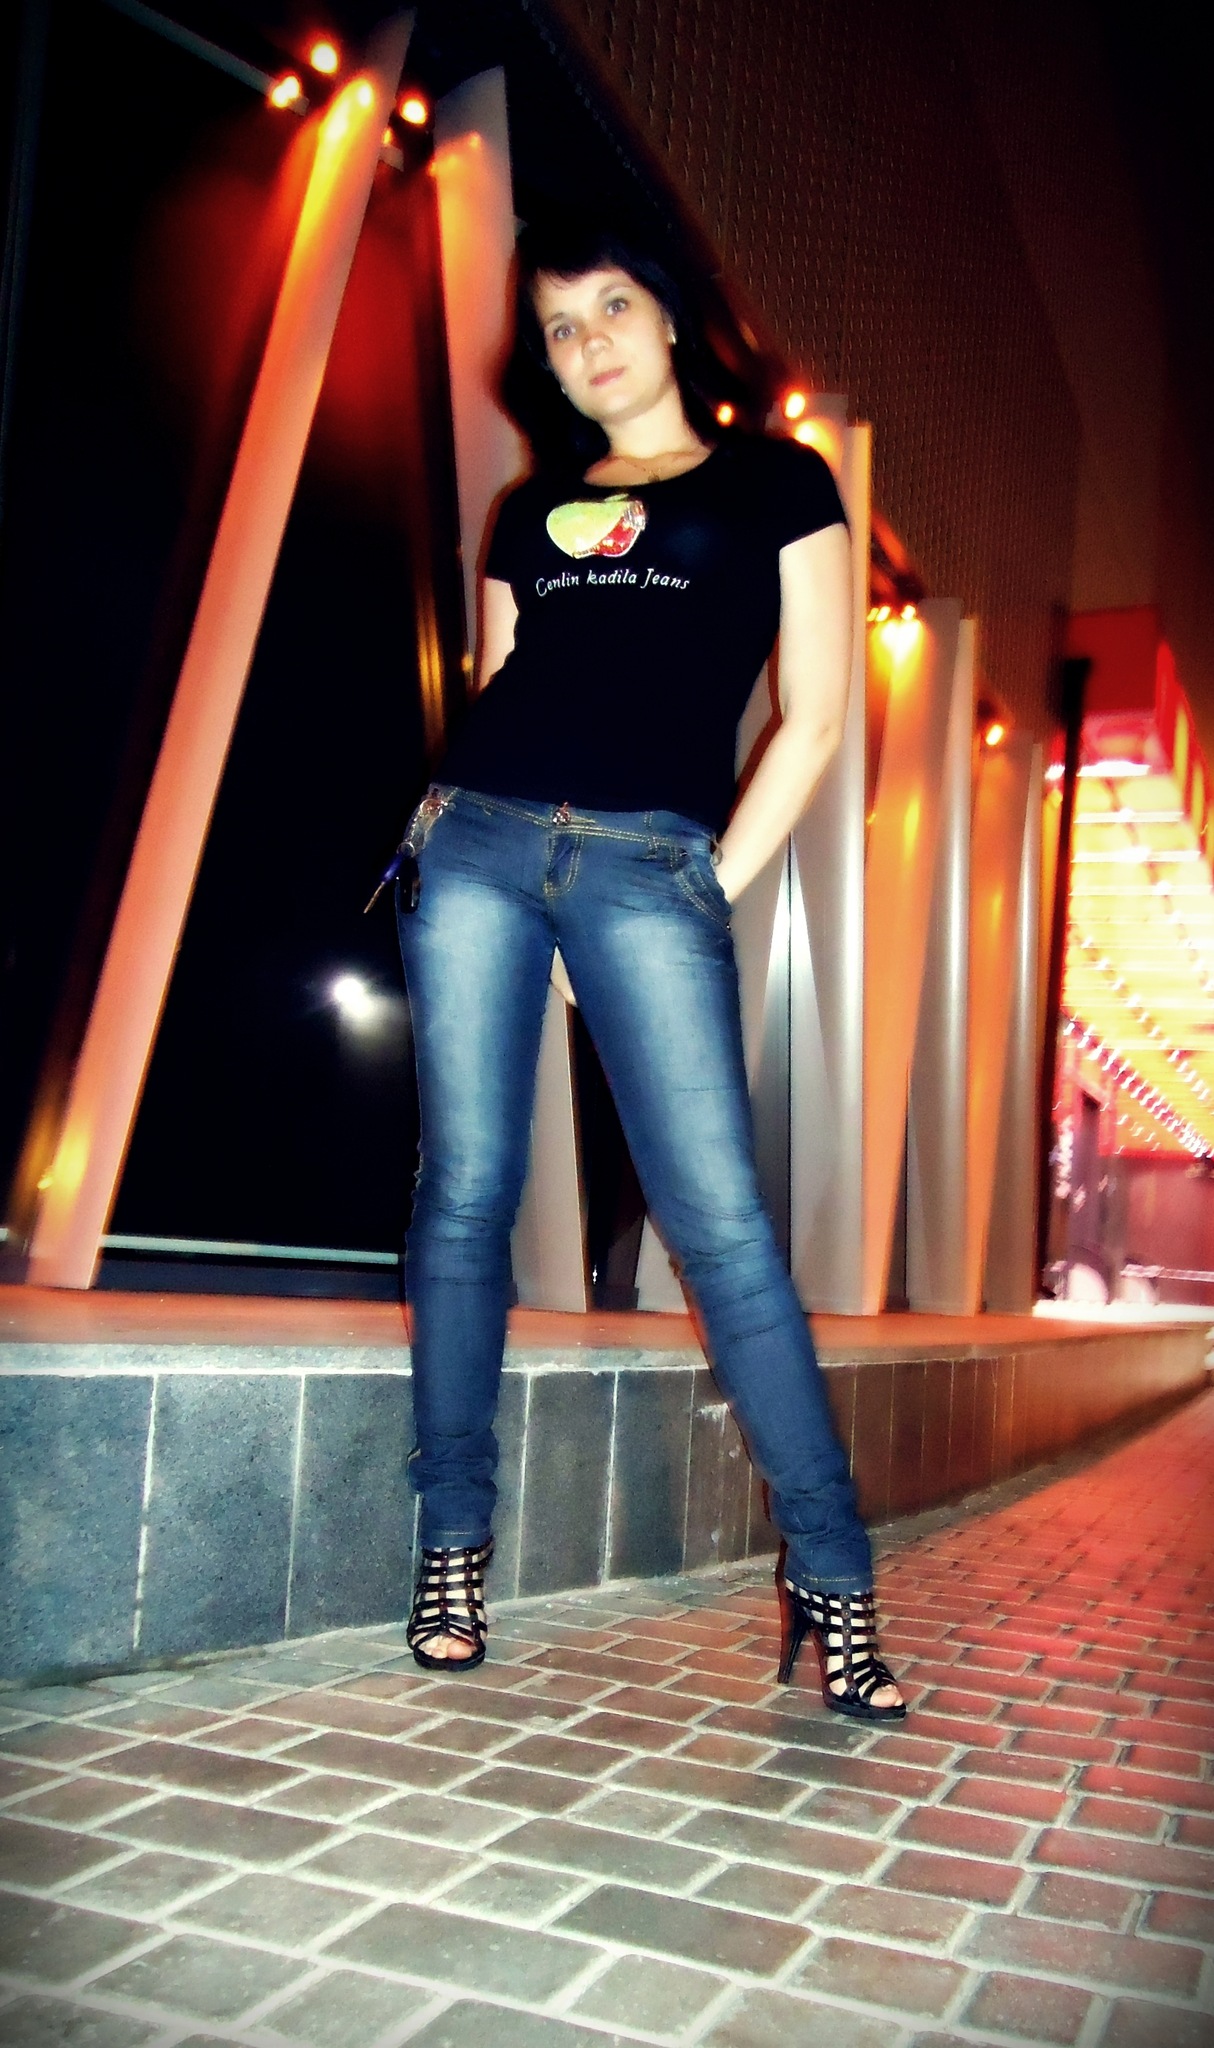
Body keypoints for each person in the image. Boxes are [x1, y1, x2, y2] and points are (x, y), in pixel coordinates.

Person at [395, 217, 904, 1720]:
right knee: (466, 1192)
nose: (588, 343)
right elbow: (501, 676)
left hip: (650, 861)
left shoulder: (776, 483)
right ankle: (450, 1546)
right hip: (477, 841)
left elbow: (815, 713)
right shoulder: (529, 509)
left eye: (612, 307)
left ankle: (833, 1576)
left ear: (671, 322)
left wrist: (706, 881)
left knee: (721, 1227)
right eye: (560, 327)